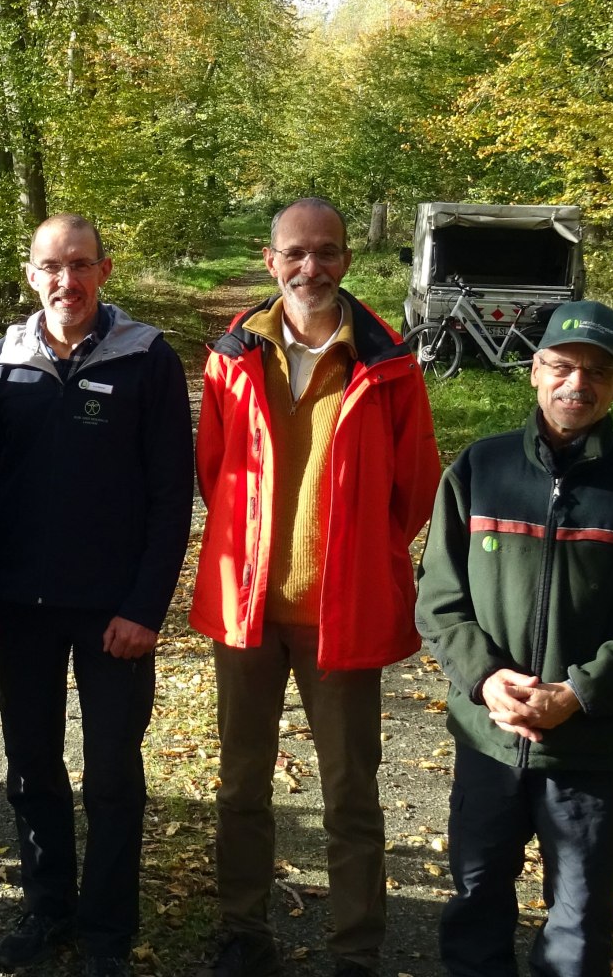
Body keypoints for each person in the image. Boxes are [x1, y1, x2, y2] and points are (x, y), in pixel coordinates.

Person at [414, 301, 613, 977]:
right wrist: (486, 678)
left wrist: (578, 692)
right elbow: (438, 596)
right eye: (562, 366)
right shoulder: (479, 470)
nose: (579, 383)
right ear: (535, 372)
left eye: (599, 372)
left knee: (578, 923)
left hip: (591, 748)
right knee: (476, 901)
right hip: (489, 738)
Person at [190, 198, 442, 977]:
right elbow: (214, 472)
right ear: (271, 262)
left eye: (327, 252)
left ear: (346, 261)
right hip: (248, 608)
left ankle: (356, 949)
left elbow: (415, 486)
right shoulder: (233, 357)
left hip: (342, 615)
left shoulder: (387, 362)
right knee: (240, 786)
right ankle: (243, 930)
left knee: (350, 795)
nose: (312, 268)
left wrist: (360, 556)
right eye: (296, 254)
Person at [0, 215, 191, 976]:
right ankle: (47, 909)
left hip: (114, 614)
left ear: (105, 270)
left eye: (80, 265)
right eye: (51, 267)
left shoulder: (147, 359)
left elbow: (172, 495)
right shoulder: (3, 361)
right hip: (22, 607)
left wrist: (144, 608)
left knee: (111, 777)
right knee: (31, 769)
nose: (66, 281)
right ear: (31, 274)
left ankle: (105, 930)